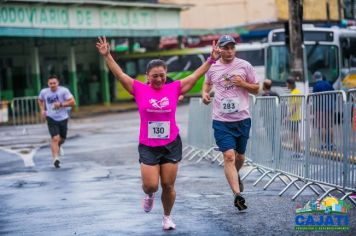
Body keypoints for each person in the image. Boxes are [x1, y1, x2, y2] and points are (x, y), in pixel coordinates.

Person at [96, 36, 219, 230]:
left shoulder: (174, 88)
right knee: (152, 185)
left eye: (162, 75)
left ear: (166, 73)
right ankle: (149, 195)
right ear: (147, 76)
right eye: (155, 76)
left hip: (170, 143)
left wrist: (211, 60)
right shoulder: (139, 89)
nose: (159, 79)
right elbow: (120, 74)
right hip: (148, 145)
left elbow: (196, 75)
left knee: (168, 185)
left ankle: (167, 217)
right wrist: (107, 55)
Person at [202, 35, 259, 211]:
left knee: (240, 157)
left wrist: (243, 83)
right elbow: (207, 84)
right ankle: (237, 195)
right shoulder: (213, 67)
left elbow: (257, 88)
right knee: (229, 156)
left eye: (231, 48)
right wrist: (204, 94)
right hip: (221, 120)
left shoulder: (245, 66)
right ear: (219, 49)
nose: (229, 51)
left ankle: (235, 175)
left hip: (242, 118)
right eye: (225, 48)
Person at [38, 75, 76, 168]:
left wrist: (61, 104)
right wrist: (42, 110)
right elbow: (40, 100)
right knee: (55, 138)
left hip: (63, 117)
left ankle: (58, 146)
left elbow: (73, 102)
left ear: (58, 83)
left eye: (54, 83)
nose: (52, 85)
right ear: (48, 84)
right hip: (51, 117)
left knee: (62, 139)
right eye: (50, 83)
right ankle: (56, 159)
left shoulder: (64, 91)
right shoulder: (44, 92)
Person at [312, 71, 334, 150]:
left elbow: (314, 98)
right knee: (330, 126)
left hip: (320, 109)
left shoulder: (316, 86)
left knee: (322, 126)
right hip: (330, 108)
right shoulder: (328, 83)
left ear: (315, 78)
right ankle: (331, 144)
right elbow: (334, 93)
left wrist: (314, 109)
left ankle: (324, 144)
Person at [286, 78, 303, 158]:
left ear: (290, 84)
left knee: (295, 136)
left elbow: (295, 107)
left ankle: (298, 152)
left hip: (294, 118)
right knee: (293, 136)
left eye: (287, 84)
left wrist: (288, 116)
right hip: (294, 117)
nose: (286, 85)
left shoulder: (295, 92)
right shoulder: (294, 92)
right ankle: (296, 151)